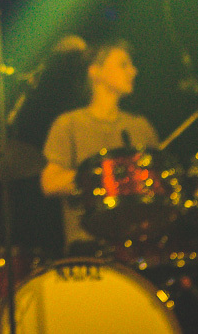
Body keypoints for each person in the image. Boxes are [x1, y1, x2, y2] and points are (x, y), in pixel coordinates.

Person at [38, 39, 159, 256]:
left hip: (140, 246)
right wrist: (105, 177)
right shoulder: (69, 124)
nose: (133, 70)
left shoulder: (141, 126)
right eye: (123, 64)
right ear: (96, 72)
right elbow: (50, 183)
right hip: (87, 250)